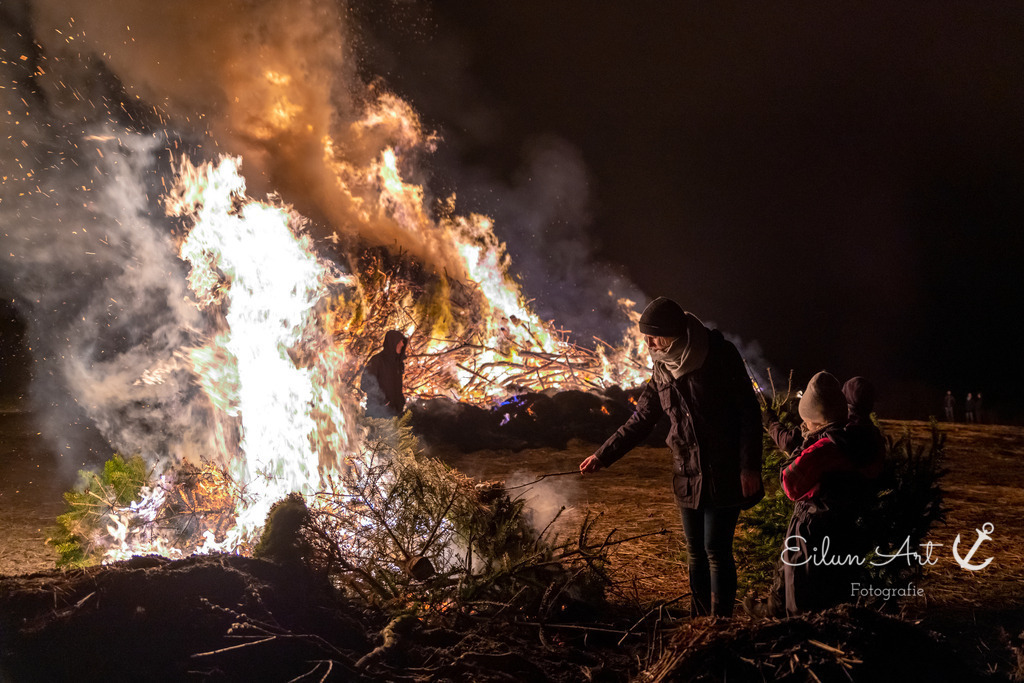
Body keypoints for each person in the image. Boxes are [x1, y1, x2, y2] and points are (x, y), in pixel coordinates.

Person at [579, 297, 764, 617]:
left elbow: (749, 412)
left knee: (716, 550)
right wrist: (602, 455)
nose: (648, 344)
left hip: (724, 470)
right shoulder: (662, 367)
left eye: (653, 337)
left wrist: (749, 466)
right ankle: (698, 621)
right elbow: (641, 419)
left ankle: (720, 624)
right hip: (687, 472)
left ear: (672, 332)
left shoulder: (719, 354)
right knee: (695, 553)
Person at [779, 371, 878, 616]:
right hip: (846, 534)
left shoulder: (825, 447)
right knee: (836, 604)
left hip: (811, 535)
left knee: (802, 605)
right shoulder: (863, 440)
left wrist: (802, 448)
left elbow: (790, 485)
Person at [361, 330, 407, 418]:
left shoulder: (398, 364)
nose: (402, 344)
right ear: (393, 343)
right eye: (400, 341)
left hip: (395, 414)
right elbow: (365, 383)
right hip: (378, 413)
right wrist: (383, 400)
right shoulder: (376, 361)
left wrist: (401, 401)